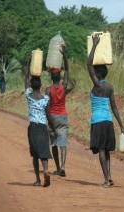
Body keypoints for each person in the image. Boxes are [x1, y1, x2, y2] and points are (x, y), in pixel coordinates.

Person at [87, 35, 124, 188]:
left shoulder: (97, 86)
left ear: (97, 75)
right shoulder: (109, 87)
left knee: (102, 151)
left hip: (98, 121)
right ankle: (109, 176)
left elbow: (89, 64)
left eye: (95, 72)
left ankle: (106, 179)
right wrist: (121, 125)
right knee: (107, 151)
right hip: (109, 121)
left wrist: (95, 45)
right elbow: (115, 107)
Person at [25, 58, 57, 187]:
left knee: (35, 154)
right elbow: (49, 115)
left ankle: (38, 179)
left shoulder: (29, 96)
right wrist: (54, 129)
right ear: (41, 86)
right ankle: (46, 170)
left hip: (33, 127)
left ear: (32, 87)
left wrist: (29, 63)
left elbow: (26, 78)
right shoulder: (45, 99)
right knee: (44, 151)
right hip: (43, 127)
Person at [46, 44, 71, 177]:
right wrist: (64, 55)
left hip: (53, 117)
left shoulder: (48, 90)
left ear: (51, 77)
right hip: (63, 116)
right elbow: (67, 71)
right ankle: (63, 166)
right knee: (63, 143)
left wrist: (50, 123)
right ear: (60, 78)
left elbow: (47, 109)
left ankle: (57, 167)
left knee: (54, 144)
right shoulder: (64, 86)